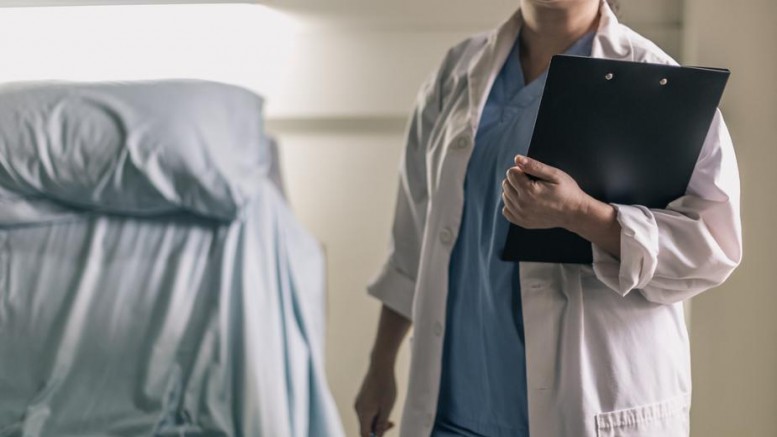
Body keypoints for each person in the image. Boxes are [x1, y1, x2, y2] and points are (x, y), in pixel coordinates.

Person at [355, 0, 742, 436]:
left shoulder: (656, 77)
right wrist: (380, 364)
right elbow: (413, 240)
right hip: (455, 415)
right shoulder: (456, 72)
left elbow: (713, 246)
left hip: (587, 409)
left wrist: (584, 215)